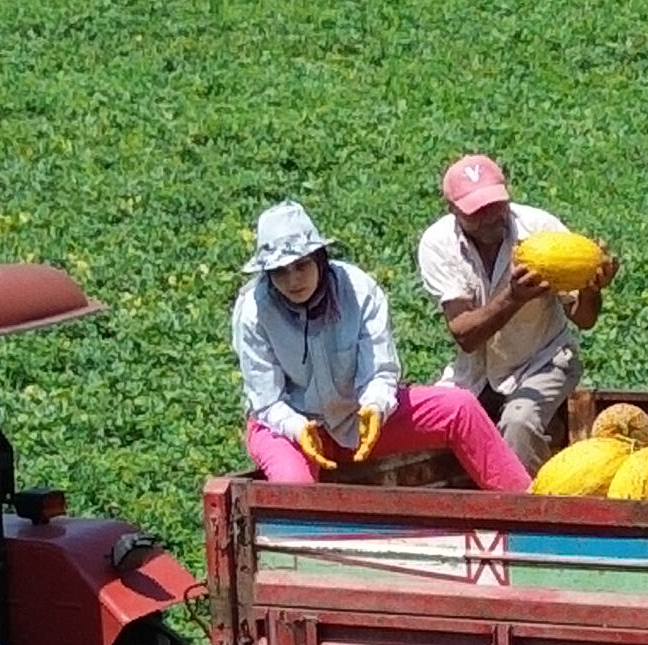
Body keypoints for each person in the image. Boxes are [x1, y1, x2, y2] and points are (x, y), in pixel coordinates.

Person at [231, 200, 530, 493]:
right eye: (280, 271)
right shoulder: (254, 311)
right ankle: (315, 542)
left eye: (301, 265)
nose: (293, 280)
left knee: (459, 408)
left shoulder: (358, 290)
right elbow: (266, 401)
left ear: (320, 258)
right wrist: (298, 428)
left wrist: (374, 407)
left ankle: (528, 510)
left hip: (358, 419)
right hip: (290, 428)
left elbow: (380, 371)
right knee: (295, 491)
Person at [417, 154, 615, 469]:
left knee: (519, 423)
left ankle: (526, 512)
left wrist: (592, 288)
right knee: (431, 427)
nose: (489, 217)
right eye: (475, 212)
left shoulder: (541, 229)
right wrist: (513, 297)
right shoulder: (438, 243)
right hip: (475, 371)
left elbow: (584, 318)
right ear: (452, 210)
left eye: (494, 205)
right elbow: (465, 335)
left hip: (544, 361)